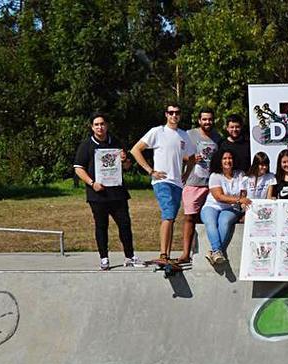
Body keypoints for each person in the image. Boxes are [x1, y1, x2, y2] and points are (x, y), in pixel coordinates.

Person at [130, 103, 197, 263]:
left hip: (177, 183)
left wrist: (186, 174)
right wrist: (150, 171)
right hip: (162, 181)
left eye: (177, 113)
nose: (174, 115)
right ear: (166, 114)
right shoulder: (157, 131)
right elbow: (135, 150)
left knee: (171, 217)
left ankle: (166, 254)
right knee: (168, 215)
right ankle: (163, 255)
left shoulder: (183, 135)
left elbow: (192, 157)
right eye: (171, 112)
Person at [73, 112, 140, 270]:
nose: (100, 127)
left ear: (107, 125)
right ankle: (104, 258)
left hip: (117, 193)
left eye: (102, 124)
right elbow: (78, 168)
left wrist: (125, 160)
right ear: (92, 127)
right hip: (98, 194)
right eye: (96, 124)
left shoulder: (115, 141)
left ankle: (129, 256)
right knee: (101, 226)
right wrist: (92, 183)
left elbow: (127, 166)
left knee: (125, 224)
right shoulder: (86, 145)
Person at [179, 108, 222, 264]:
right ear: (199, 121)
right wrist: (189, 158)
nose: (207, 122)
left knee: (207, 218)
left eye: (210, 119)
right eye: (204, 119)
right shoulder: (190, 134)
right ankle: (185, 254)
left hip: (211, 185)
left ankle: (203, 251)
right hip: (193, 183)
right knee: (189, 217)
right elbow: (178, 153)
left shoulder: (218, 137)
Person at [200, 149, 250, 265]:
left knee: (224, 221)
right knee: (210, 222)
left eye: (230, 158)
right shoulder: (215, 176)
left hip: (232, 208)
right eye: (225, 158)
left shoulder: (241, 174)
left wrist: (241, 202)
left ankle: (214, 252)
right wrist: (239, 199)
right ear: (220, 161)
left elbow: (243, 194)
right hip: (212, 205)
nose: (228, 161)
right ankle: (217, 251)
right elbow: (219, 197)